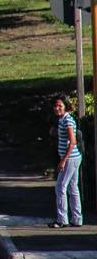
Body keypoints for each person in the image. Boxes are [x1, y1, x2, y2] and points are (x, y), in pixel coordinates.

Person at [52, 95, 83, 227]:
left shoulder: (67, 121)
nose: (57, 108)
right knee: (72, 188)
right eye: (55, 105)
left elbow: (72, 141)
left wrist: (63, 160)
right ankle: (77, 218)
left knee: (60, 187)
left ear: (65, 107)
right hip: (74, 157)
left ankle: (62, 219)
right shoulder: (62, 120)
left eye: (60, 106)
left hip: (70, 158)